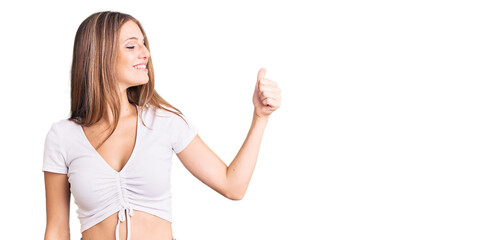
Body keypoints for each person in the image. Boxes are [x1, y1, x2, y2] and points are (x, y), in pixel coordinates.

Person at [42, 11, 281, 240]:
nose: (145, 53)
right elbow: (57, 231)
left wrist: (260, 117)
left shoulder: (164, 122)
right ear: (99, 55)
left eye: (144, 44)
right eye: (131, 46)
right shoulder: (62, 137)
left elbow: (233, 186)